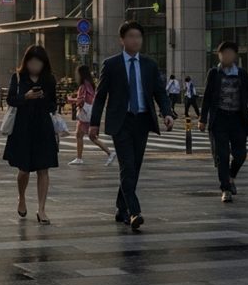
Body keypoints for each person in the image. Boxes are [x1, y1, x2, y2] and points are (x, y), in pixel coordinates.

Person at [88, 21, 174, 232]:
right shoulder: (112, 64)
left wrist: (167, 113)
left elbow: (159, 92)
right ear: (122, 40)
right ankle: (133, 211)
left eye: (138, 37)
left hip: (142, 120)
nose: (135, 40)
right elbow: (100, 97)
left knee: (134, 166)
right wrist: (94, 124)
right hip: (122, 121)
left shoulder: (149, 64)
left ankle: (120, 206)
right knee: (127, 165)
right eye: (131, 36)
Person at [198, 42, 248, 202]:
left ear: (235, 56)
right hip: (219, 120)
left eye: (230, 53)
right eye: (223, 53)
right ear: (219, 55)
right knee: (222, 155)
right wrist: (202, 119)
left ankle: (231, 176)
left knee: (240, 154)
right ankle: (225, 188)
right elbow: (207, 97)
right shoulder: (214, 73)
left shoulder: (241, 74)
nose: (226, 56)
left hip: (238, 119)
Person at [4, 45, 59, 223]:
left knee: (44, 169)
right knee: (24, 170)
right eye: (31, 62)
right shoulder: (18, 77)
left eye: (38, 62)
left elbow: (53, 105)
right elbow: (10, 99)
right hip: (23, 128)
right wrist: (26, 97)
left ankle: (41, 209)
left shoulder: (49, 80)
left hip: (43, 127)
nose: (35, 65)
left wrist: (43, 99)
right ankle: (21, 197)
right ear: (26, 62)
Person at [68, 65, 114, 165]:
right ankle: (109, 153)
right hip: (90, 114)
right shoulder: (90, 84)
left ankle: (80, 158)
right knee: (89, 136)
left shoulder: (83, 86)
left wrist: (70, 100)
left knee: (82, 135)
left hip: (85, 114)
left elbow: (81, 100)